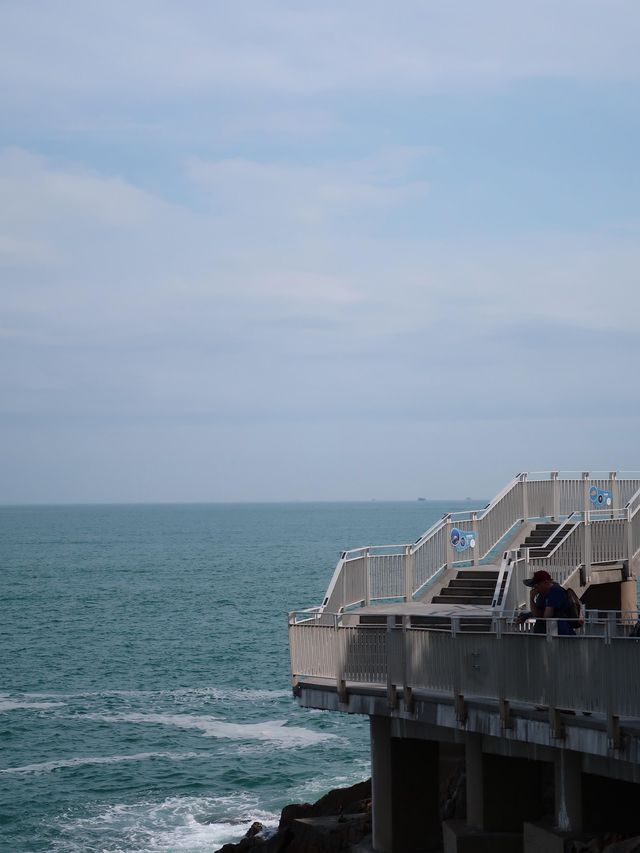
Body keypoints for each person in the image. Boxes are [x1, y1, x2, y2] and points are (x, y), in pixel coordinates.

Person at [522, 570, 575, 636]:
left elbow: (547, 617)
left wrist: (542, 613)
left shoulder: (556, 591)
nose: (536, 588)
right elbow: (536, 614)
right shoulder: (542, 595)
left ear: (545, 582)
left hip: (561, 634)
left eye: (537, 585)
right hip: (548, 634)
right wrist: (531, 599)